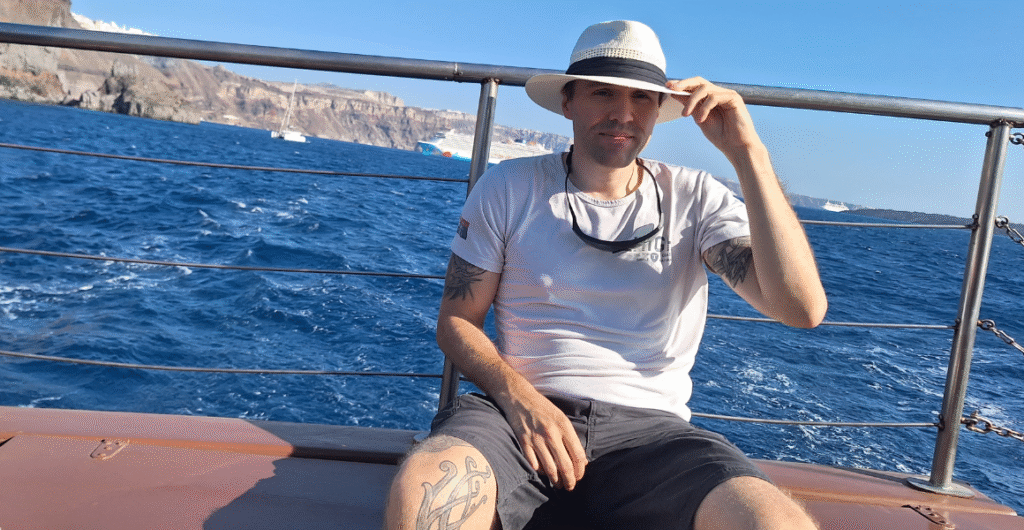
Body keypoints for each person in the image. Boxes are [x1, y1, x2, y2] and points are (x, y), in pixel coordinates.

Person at [384, 20, 827, 530]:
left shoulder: (696, 197)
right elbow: (457, 321)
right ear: (568, 102)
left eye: (642, 98)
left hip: (654, 438)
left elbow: (802, 309)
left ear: (658, 111)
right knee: (426, 496)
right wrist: (520, 399)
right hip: (516, 417)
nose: (623, 114)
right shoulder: (510, 186)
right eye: (603, 93)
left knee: (775, 522)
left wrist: (749, 154)